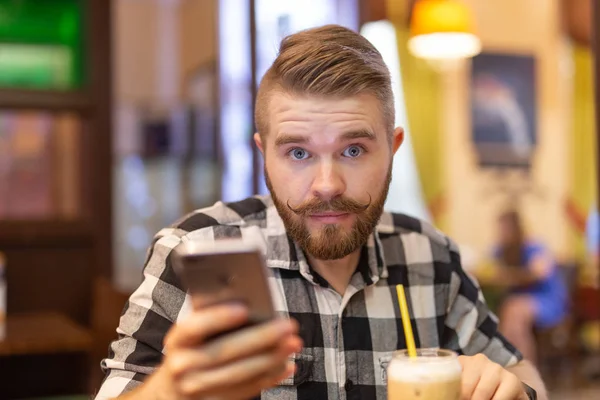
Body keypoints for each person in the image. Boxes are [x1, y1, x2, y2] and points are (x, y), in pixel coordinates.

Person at [96, 25, 546, 400]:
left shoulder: (431, 257)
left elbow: (525, 377)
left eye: (353, 149)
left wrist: (511, 388)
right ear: (263, 155)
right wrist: (170, 390)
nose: (327, 184)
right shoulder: (196, 250)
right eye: (297, 153)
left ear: (392, 149)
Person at [491, 210, 568, 363]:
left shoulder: (534, 247)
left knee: (514, 311)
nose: (502, 232)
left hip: (545, 300)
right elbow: (488, 268)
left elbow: (540, 272)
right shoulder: (501, 250)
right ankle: (514, 364)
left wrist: (513, 276)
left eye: (506, 228)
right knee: (509, 310)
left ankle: (525, 366)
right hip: (517, 302)